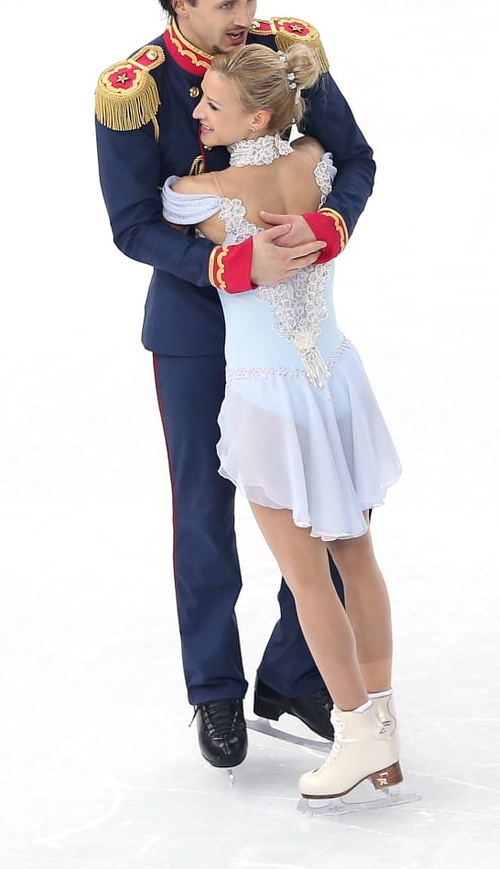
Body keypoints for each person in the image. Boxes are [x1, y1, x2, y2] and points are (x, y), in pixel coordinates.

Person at [94, 0, 377, 771]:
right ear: (179, 4)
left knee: (317, 495)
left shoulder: (281, 55)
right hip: (193, 332)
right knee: (206, 509)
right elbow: (133, 223)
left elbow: (352, 160)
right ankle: (213, 691)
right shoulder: (134, 89)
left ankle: (294, 672)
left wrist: (328, 226)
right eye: (227, 3)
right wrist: (226, 263)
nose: (247, 15)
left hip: (291, 327)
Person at [161, 42, 402, 799]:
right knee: (355, 557)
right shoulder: (317, 165)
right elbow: (352, 160)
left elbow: (146, 222)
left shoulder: (201, 196)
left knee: (307, 578)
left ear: (255, 114)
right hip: (337, 384)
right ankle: (385, 730)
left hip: (270, 399)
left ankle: (357, 735)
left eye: (212, 104)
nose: (196, 111)